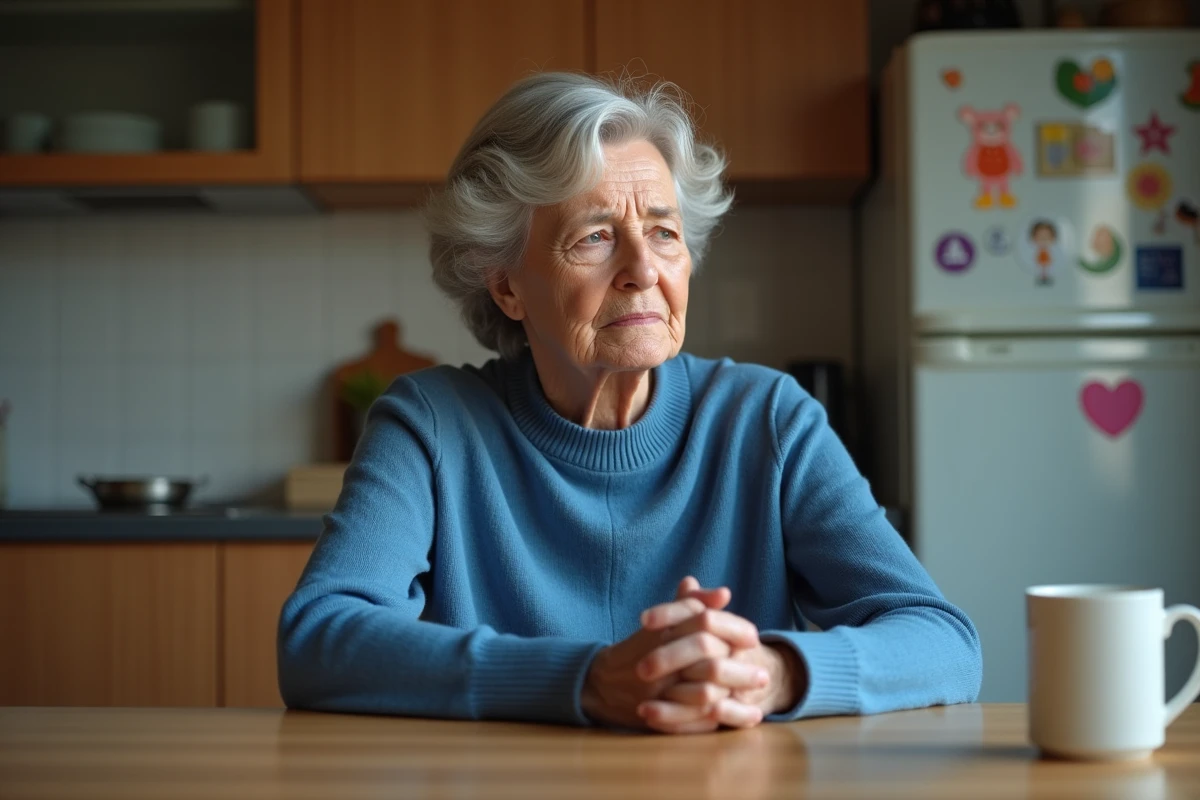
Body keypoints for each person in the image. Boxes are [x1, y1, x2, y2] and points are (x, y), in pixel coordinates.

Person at [278, 72, 981, 734]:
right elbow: (317, 641)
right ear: (507, 288)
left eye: (665, 233)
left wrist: (770, 674)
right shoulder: (432, 425)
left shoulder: (766, 418)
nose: (643, 269)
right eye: (594, 237)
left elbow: (943, 641)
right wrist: (584, 681)